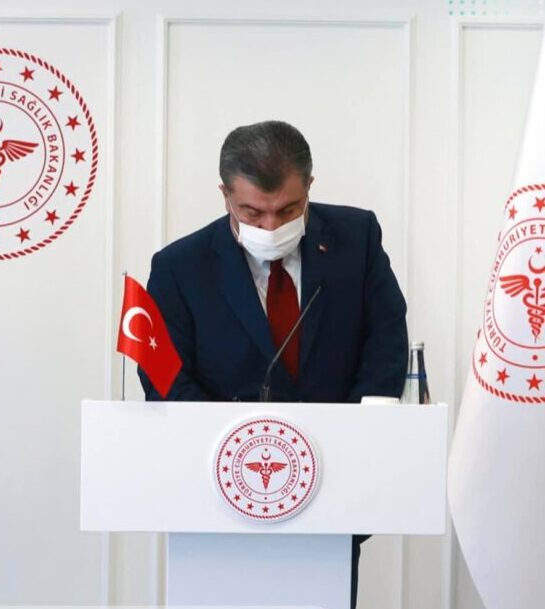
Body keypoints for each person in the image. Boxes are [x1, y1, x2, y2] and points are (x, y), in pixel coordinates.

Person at [140, 120, 407, 607]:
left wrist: (361, 438)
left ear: (309, 186)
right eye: (252, 212)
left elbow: (386, 341)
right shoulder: (180, 266)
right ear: (225, 195)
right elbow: (164, 376)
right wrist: (230, 451)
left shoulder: (357, 238)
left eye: (287, 210)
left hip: (332, 484)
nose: (270, 226)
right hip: (219, 495)